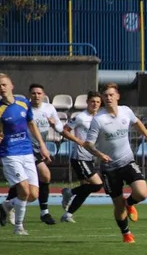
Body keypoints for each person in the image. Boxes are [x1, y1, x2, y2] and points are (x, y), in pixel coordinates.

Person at [80, 83, 147, 243]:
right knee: (118, 205)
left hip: (127, 161)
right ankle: (126, 233)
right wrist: (100, 154)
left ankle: (130, 203)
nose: (108, 98)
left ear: (117, 96)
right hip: (109, 169)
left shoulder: (126, 111)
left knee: (142, 193)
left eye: (111, 95)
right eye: (105, 95)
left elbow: (136, 123)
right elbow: (88, 144)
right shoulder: (98, 120)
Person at [0, 74, 51, 235]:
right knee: (24, 189)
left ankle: (6, 206)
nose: (2, 88)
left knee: (33, 195)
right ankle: (19, 227)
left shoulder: (23, 103)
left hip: (27, 152)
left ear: (11, 85)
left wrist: (42, 145)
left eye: (3, 84)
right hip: (10, 153)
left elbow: (31, 123)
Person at [59, 89, 105, 223]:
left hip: (91, 158)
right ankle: (70, 192)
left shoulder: (100, 117)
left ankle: (68, 215)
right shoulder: (80, 117)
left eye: (97, 102)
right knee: (97, 185)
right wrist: (78, 141)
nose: (95, 104)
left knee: (85, 190)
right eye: (92, 102)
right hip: (80, 157)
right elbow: (64, 130)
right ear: (87, 102)